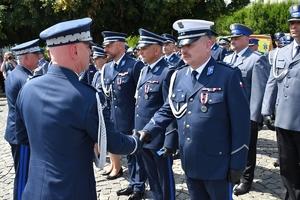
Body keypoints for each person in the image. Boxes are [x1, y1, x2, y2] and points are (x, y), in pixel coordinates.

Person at [14, 18, 150, 200]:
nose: (92, 53)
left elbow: (22, 136)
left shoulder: (28, 89)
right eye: (88, 47)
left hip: (34, 190)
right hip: (72, 191)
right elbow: (114, 143)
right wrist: (136, 141)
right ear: (75, 50)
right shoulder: (85, 96)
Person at [137, 19, 251, 200]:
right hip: (190, 161)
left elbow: (242, 124)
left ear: (208, 45)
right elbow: (169, 109)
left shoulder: (227, 75)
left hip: (218, 165)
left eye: (190, 44)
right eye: (181, 45)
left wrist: (238, 163)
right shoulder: (180, 75)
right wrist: (147, 131)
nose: (183, 49)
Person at [223, 23, 270, 196]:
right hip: (228, 113)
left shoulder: (256, 59)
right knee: (231, 145)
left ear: (246, 39)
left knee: (248, 148)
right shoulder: (228, 59)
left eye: (236, 38)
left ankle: (246, 180)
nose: (233, 41)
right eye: (232, 38)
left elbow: (259, 89)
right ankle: (235, 173)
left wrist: (254, 117)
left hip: (246, 115)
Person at [100, 31, 147, 194]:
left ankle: (139, 186)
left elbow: (142, 96)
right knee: (129, 155)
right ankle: (133, 184)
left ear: (120, 45)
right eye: (105, 46)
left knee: (137, 155)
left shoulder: (134, 65)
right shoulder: (107, 68)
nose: (105, 49)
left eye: (109, 45)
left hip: (133, 120)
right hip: (117, 120)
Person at [262, 4, 300, 200]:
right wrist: (266, 109)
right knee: (287, 165)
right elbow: (272, 81)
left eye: (298, 23)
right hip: (283, 119)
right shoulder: (281, 52)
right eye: (292, 23)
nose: (294, 26)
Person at [135, 28, 176, 200]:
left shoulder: (167, 72)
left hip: (159, 138)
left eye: (144, 48)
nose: (140, 51)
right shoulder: (145, 70)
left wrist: (170, 140)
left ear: (156, 49)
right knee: (152, 175)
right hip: (143, 135)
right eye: (140, 48)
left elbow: (171, 108)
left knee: (164, 175)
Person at [4, 38, 41, 200]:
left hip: (17, 132)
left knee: (25, 173)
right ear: (26, 57)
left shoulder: (15, 73)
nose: (40, 58)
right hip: (22, 136)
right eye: (36, 55)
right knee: (23, 176)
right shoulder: (24, 79)